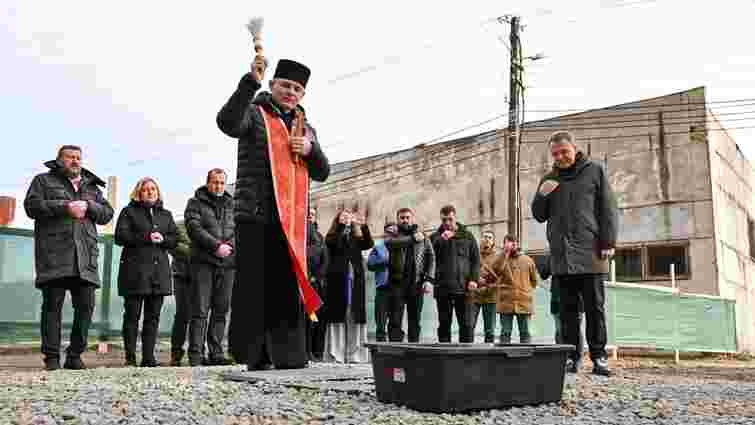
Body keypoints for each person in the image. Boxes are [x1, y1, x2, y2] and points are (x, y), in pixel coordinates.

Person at [218, 56, 330, 370]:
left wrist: (311, 150)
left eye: (297, 88)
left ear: (303, 95)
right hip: (254, 214)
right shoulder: (254, 113)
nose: (290, 92)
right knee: (254, 285)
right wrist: (248, 83)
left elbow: (322, 171)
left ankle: (289, 355)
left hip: (290, 220)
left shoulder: (306, 128)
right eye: (285, 85)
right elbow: (227, 123)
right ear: (272, 85)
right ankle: (254, 355)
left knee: (286, 286)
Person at [532, 130, 618, 376]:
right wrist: (542, 195)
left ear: (574, 149)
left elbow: (608, 208)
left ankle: (599, 357)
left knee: (595, 309)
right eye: (555, 154)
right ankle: (571, 357)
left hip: (591, 252)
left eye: (564, 152)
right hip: (562, 256)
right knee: (567, 312)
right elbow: (539, 215)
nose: (560, 157)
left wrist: (608, 241)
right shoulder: (549, 178)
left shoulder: (594, 171)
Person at [24, 145, 114, 371]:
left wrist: (89, 206)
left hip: (85, 257)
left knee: (86, 307)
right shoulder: (42, 181)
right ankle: (52, 358)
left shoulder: (91, 186)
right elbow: (32, 206)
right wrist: (65, 207)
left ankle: (75, 356)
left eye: (78, 158)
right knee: (52, 308)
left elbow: (107, 214)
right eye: (70, 157)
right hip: (54, 255)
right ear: (59, 160)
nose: (75, 161)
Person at [115, 177, 178, 367]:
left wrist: (164, 239)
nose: (150, 192)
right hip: (135, 273)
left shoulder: (166, 215)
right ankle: (130, 357)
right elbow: (121, 236)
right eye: (146, 189)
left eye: (153, 189)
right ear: (138, 193)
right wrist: (147, 236)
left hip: (159, 274)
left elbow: (175, 239)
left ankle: (149, 357)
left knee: (153, 317)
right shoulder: (129, 212)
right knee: (132, 316)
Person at [184, 168, 236, 366]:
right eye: (215, 182)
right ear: (208, 182)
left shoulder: (233, 205)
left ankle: (216, 353)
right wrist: (216, 246)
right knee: (200, 309)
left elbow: (238, 230)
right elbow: (193, 228)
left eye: (222, 182)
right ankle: (196, 355)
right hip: (203, 263)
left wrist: (228, 247)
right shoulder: (195, 203)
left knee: (221, 309)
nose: (218, 186)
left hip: (228, 264)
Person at [323, 209, 374, 363]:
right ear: (337, 219)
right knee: (338, 314)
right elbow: (332, 243)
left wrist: (363, 226)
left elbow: (368, 244)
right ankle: (336, 354)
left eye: (348, 216)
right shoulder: (332, 235)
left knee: (354, 314)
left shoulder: (355, 235)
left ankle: (355, 354)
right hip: (338, 279)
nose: (346, 218)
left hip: (356, 278)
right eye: (343, 216)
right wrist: (340, 227)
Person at [430, 205, 480, 343]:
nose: (447, 223)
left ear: (455, 218)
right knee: (444, 324)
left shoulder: (467, 236)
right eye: (444, 220)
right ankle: (444, 358)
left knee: (466, 325)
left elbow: (476, 260)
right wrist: (442, 239)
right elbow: (428, 256)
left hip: (464, 288)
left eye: (450, 219)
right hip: (443, 288)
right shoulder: (435, 237)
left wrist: (474, 279)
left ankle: (466, 358)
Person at [385, 208, 435, 343]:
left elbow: (431, 257)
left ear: (412, 218)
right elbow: (390, 244)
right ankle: (395, 351)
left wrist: (429, 280)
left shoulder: (422, 235)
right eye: (402, 218)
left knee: (415, 320)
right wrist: (413, 239)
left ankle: (414, 351)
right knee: (395, 320)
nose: (405, 220)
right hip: (397, 283)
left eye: (407, 217)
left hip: (417, 283)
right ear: (398, 219)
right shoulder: (392, 234)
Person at [491, 235, 538, 344]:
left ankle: (526, 359)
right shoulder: (500, 258)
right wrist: (505, 254)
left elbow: (534, 281)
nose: (512, 245)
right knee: (505, 332)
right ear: (504, 245)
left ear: (517, 244)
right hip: (505, 302)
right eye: (508, 243)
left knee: (525, 332)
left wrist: (524, 289)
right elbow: (495, 272)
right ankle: (503, 359)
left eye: (514, 243)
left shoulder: (528, 260)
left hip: (524, 302)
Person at [366, 222, 398, 342]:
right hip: (382, 288)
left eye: (394, 232)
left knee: (395, 323)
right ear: (385, 233)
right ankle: (381, 350)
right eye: (389, 232)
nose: (392, 234)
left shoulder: (401, 247)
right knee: (380, 323)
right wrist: (384, 261)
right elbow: (370, 264)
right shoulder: (378, 247)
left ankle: (395, 351)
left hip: (397, 288)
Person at [466, 229, 499, 343]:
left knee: (489, 330)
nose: (487, 239)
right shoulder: (474, 254)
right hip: (474, 296)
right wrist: (475, 280)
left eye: (490, 237)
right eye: (485, 237)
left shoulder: (498, 257)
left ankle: (489, 354)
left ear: (493, 241)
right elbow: (467, 271)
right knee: (469, 326)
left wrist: (488, 287)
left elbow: (501, 279)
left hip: (490, 297)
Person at [306, 207, 329, 361]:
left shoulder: (320, 237)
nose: (310, 217)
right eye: (308, 214)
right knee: (308, 319)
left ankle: (317, 351)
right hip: (303, 281)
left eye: (313, 215)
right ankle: (306, 350)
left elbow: (325, 260)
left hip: (316, 284)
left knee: (317, 319)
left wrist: (317, 276)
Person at [169, 221, 192, 367]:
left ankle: (199, 351)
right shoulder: (179, 226)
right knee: (182, 314)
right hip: (182, 275)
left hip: (205, 275)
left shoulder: (210, 224)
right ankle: (176, 353)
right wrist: (197, 251)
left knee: (201, 315)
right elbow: (173, 246)